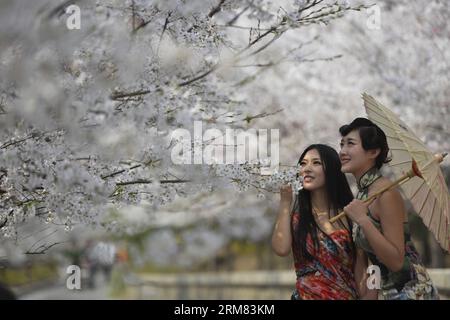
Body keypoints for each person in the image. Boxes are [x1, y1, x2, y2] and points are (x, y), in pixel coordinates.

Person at [339, 117, 439, 300]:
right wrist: (370, 294)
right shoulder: (363, 195)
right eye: (342, 144)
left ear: (374, 152)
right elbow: (374, 262)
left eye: (350, 144)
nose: (343, 151)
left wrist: (363, 220)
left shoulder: (387, 194)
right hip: (385, 294)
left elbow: (396, 261)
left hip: (412, 293)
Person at [271, 144, 358, 299]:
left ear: (332, 169)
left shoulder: (351, 215)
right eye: (303, 164)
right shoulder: (297, 219)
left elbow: (363, 269)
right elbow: (281, 249)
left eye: (316, 163)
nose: (307, 168)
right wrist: (285, 203)